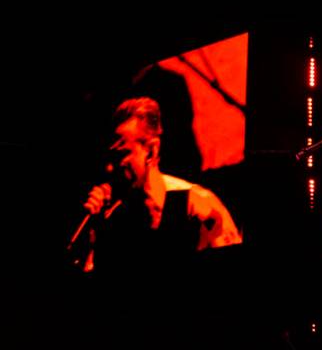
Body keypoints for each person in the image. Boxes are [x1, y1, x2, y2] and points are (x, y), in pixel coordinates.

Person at [78, 97, 241, 274]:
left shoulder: (196, 205)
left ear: (151, 151)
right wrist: (95, 238)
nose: (109, 167)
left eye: (121, 155)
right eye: (109, 158)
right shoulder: (115, 220)